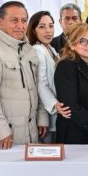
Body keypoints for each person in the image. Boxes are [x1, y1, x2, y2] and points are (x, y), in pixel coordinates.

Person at [0, 1, 49, 152]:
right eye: (14, 20)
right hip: (4, 137)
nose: (20, 25)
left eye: (23, 20)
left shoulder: (28, 49)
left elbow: (37, 87)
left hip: (31, 132)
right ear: (0, 22)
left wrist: (42, 117)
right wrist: (1, 131)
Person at [27, 11, 60, 142]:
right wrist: (54, 105)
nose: (48, 31)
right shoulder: (37, 50)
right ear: (34, 30)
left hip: (55, 110)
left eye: (51, 26)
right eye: (42, 27)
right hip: (48, 110)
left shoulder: (50, 48)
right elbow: (41, 83)